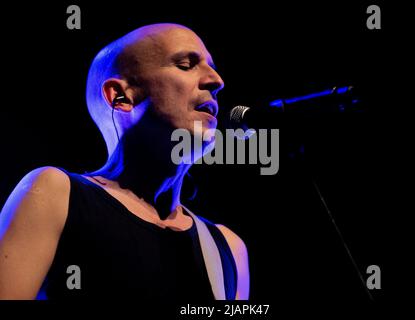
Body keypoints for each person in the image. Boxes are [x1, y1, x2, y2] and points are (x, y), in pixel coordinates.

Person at [0, 23, 249, 300]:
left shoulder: (226, 247)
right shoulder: (55, 193)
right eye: (185, 64)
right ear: (120, 96)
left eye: (211, 66)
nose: (217, 81)